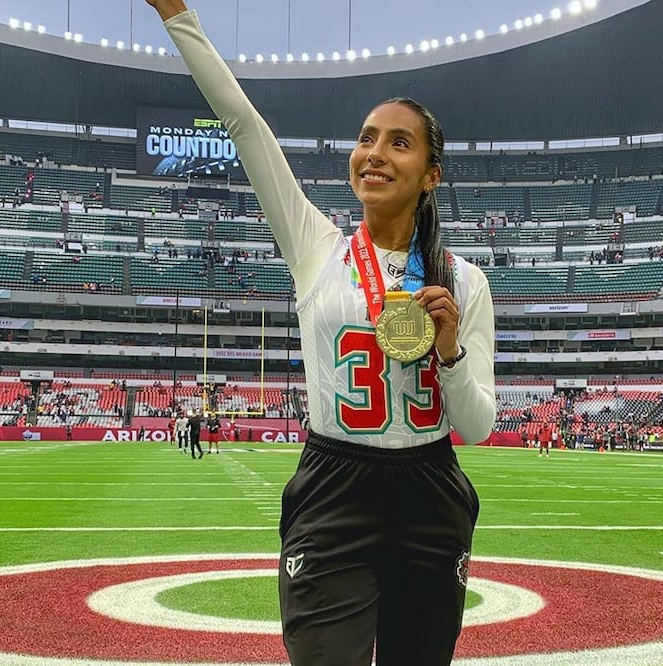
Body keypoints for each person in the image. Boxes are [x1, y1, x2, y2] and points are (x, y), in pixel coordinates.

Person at [148, 2, 495, 662]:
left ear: (432, 174)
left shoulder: (464, 281)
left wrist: (449, 350)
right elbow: (244, 126)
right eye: (366, 138)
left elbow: (476, 428)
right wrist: (177, 16)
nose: (374, 153)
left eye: (399, 142)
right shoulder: (316, 247)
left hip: (430, 488)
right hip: (335, 484)